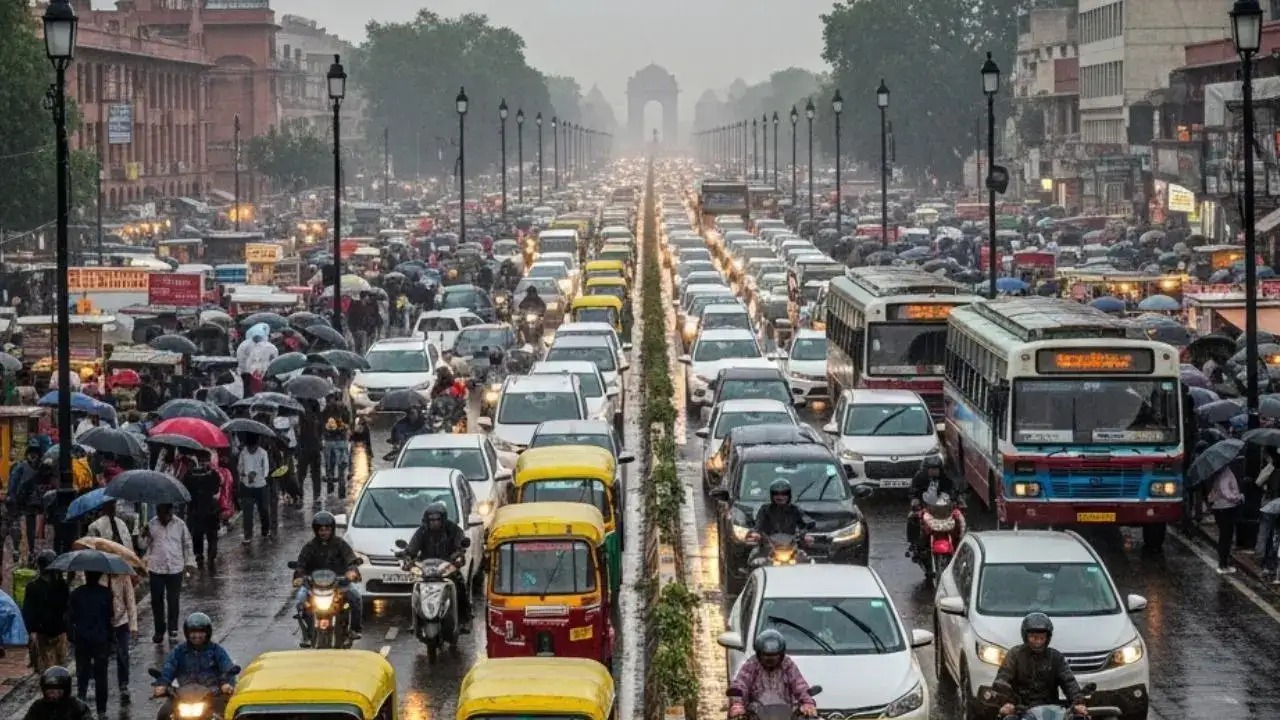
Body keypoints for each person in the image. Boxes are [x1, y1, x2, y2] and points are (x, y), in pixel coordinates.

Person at [994, 613, 1087, 717]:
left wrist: (1078, 701)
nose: (1038, 642)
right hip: (1020, 710)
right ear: (1025, 636)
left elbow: (1068, 681)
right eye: (1033, 638)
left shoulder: (1055, 657)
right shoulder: (1014, 655)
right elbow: (1003, 678)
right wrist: (1007, 701)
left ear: (1048, 638)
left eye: (1042, 638)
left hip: (1050, 711)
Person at [291, 512, 362, 643]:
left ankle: (354, 629)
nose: (324, 532)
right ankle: (307, 633)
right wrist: (300, 576)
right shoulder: (310, 547)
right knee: (300, 600)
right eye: (321, 530)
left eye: (327, 529)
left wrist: (352, 570)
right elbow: (301, 563)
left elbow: (350, 558)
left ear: (332, 529)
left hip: (339, 584)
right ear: (316, 530)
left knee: (356, 597)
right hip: (314, 586)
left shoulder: (340, 544)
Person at [151, 613, 237, 720]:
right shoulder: (179, 652)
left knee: (229, 713)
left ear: (207, 633)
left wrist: (227, 684)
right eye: (193, 632)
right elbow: (168, 668)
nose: (197, 636)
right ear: (187, 633)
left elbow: (228, 668)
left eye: (201, 632)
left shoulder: (216, 651)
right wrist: (162, 685)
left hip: (212, 695)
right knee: (163, 714)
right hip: (183, 697)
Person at [401, 503, 471, 629]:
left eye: (437, 519)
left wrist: (458, 555)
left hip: (447, 567)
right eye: (431, 520)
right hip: (426, 569)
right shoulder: (422, 531)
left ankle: (464, 619)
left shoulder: (453, 529)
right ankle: (416, 621)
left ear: (443, 519)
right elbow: (412, 548)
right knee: (414, 588)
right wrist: (407, 556)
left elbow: (460, 546)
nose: (434, 522)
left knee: (460, 585)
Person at [138, 503, 196, 643]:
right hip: (156, 568)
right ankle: (159, 630)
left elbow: (187, 544)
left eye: (165, 512)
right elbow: (142, 545)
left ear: (170, 512)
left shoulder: (180, 524)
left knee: (173, 599)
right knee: (156, 600)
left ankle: (173, 628)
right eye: (160, 512)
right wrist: (143, 534)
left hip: (175, 567)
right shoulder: (151, 524)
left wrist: (190, 563)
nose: (162, 516)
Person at [727, 629, 816, 718]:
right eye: (766, 656)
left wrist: (807, 702)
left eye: (774, 656)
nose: (770, 660)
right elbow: (741, 684)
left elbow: (799, 684)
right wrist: (737, 704)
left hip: (786, 714)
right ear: (759, 654)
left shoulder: (787, 664)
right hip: (756, 714)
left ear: (781, 654)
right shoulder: (752, 664)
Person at [68, 571, 112, 717]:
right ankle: (102, 710)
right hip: (100, 640)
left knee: (82, 675)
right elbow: (109, 617)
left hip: (82, 639)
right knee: (101, 676)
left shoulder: (76, 594)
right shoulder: (106, 593)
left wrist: (73, 635)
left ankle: (81, 704)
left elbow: (70, 617)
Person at [22, 550, 70, 674]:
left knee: (46, 670)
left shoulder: (32, 587)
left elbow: (28, 611)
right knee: (60, 667)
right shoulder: (61, 586)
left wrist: (30, 631)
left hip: (42, 633)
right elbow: (67, 607)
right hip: (59, 632)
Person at [906, 455, 954, 557]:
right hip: (925, 506)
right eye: (931, 469)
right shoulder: (919, 478)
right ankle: (913, 544)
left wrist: (955, 499)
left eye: (936, 469)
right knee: (912, 517)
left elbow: (952, 490)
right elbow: (913, 491)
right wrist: (915, 500)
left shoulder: (945, 478)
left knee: (959, 517)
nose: (934, 472)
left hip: (943, 508)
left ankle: (958, 541)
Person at [180, 452, 222, 570]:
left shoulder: (192, 475)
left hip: (203, 510)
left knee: (205, 535)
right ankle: (205, 556)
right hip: (202, 510)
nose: (203, 463)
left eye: (205, 460)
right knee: (205, 535)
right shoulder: (211, 474)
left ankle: (205, 556)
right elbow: (215, 489)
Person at [7, 442, 44, 564]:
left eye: (36, 453)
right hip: (19, 501)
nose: (34, 456)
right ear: (28, 454)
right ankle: (17, 549)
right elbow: (13, 484)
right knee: (17, 526)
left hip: (32, 503)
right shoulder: (21, 467)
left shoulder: (39, 468)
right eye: (31, 453)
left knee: (31, 529)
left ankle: (31, 550)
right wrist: (13, 499)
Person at [1208, 463, 1244, 574]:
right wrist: (1238, 498)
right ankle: (1223, 565)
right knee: (1226, 537)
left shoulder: (1218, 473)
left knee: (1224, 536)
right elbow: (1225, 491)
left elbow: (1213, 494)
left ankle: (1223, 563)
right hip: (1226, 508)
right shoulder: (1225, 473)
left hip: (1219, 508)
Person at [22, 667, 94, 720]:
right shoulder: (38, 707)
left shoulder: (76, 706)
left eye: (55, 691)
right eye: (49, 692)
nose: (52, 695)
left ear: (65, 690)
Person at [237, 435, 271, 544]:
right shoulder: (243, 453)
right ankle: (248, 535)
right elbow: (240, 467)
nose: (252, 449)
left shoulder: (263, 453)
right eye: (250, 447)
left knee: (264, 510)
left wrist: (256, 475)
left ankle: (265, 531)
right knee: (247, 512)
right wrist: (245, 474)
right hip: (247, 486)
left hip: (261, 485)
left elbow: (266, 470)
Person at [321, 393, 352, 498]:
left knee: (330, 466)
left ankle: (331, 489)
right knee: (341, 468)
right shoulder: (343, 408)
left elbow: (321, 424)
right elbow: (349, 421)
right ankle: (341, 491)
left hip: (330, 441)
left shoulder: (325, 409)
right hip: (341, 441)